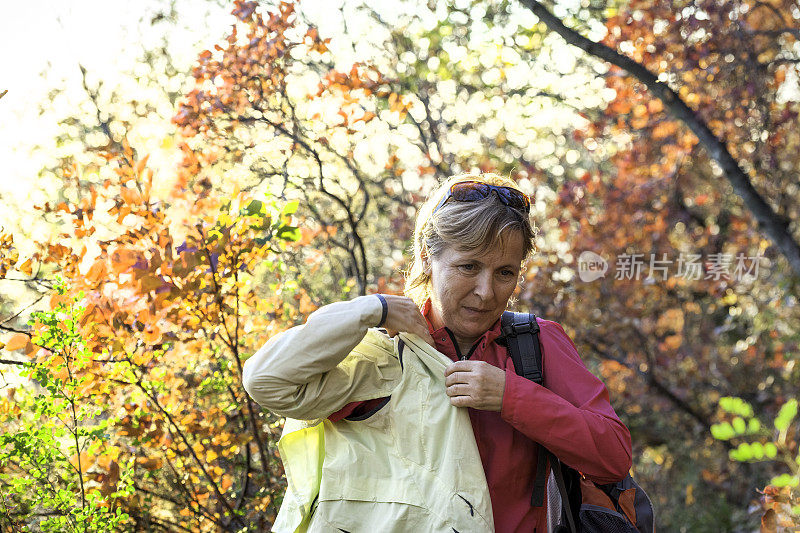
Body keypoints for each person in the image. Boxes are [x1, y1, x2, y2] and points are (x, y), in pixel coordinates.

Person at [243, 172, 632, 532]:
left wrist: (511, 396)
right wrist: (370, 309)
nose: (486, 291)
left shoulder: (536, 344)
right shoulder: (382, 345)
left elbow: (613, 456)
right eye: (468, 266)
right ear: (428, 258)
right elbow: (267, 381)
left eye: (505, 273)